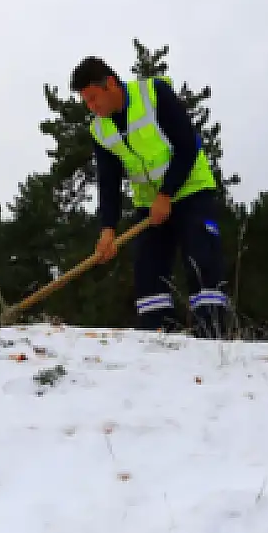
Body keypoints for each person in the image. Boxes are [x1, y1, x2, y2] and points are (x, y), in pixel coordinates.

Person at [70, 56, 229, 339]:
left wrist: (167, 194)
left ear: (110, 84)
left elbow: (187, 146)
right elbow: (108, 182)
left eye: (94, 98)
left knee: (202, 260)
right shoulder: (100, 129)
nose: (92, 107)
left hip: (191, 189)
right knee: (148, 269)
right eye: (87, 103)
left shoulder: (154, 94)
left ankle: (212, 337)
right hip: (149, 204)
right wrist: (107, 230)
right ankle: (157, 339)